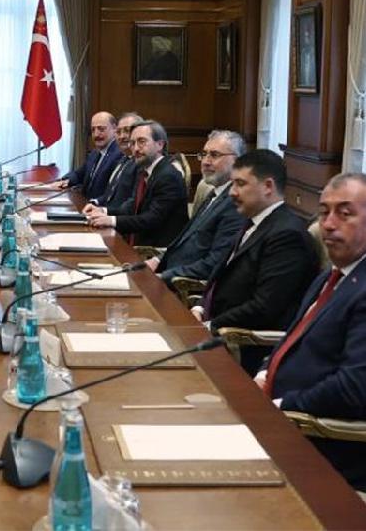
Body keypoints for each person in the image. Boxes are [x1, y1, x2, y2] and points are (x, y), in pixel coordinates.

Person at [255, 173, 366, 491]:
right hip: (280, 421)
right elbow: (293, 337)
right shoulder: (331, 276)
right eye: (323, 212)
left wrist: (283, 405)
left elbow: (354, 387)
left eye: (345, 214)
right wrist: (265, 372)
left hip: (322, 451)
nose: (328, 224)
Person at [192, 149, 317, 372]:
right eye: (232, 184)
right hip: (215, 333)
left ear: (268, 186)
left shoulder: (287, 235)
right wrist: (200, 307)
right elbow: (220, 276)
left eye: (240, 184)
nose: (232, 192)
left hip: (244, 350)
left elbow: (264, 307)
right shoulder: (252, 221)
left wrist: (211, 325)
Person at [148, 130, 248, 283]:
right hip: (167, 271)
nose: (205, 161)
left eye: (214, 155)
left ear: (237, 161)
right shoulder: (215, 192)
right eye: (204, 154)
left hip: (181, 286)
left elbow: (213, 264)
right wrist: (157, 260)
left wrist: (163, 277)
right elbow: (186, 242)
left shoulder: (235, 204)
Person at [84, 120, 188, 247]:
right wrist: (103, 211)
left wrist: (111, 220)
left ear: (160, 144)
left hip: (157, 251)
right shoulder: (144, 170)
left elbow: (151, 219)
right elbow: (132, 207)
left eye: (142, 142)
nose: (136, 149)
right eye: (132, 143)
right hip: (141, 244)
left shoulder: (168, 176)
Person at [56, 112, 122, 201]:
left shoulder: (119, 155)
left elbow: (112, 193)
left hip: (99, 206)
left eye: (101, 129)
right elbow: (78, 174)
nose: (96, 134)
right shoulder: (94, 153)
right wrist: (65, 180)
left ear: (114, 129)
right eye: (93, 130)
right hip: (84, 203)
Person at [93, 112, 143, 208]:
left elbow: (133, 202)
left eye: (127, 131)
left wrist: (105, 212)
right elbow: (109, 195)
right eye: (118, 132)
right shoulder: (123, 159)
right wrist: (94, 202)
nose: (122, 136)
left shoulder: (140, 163)